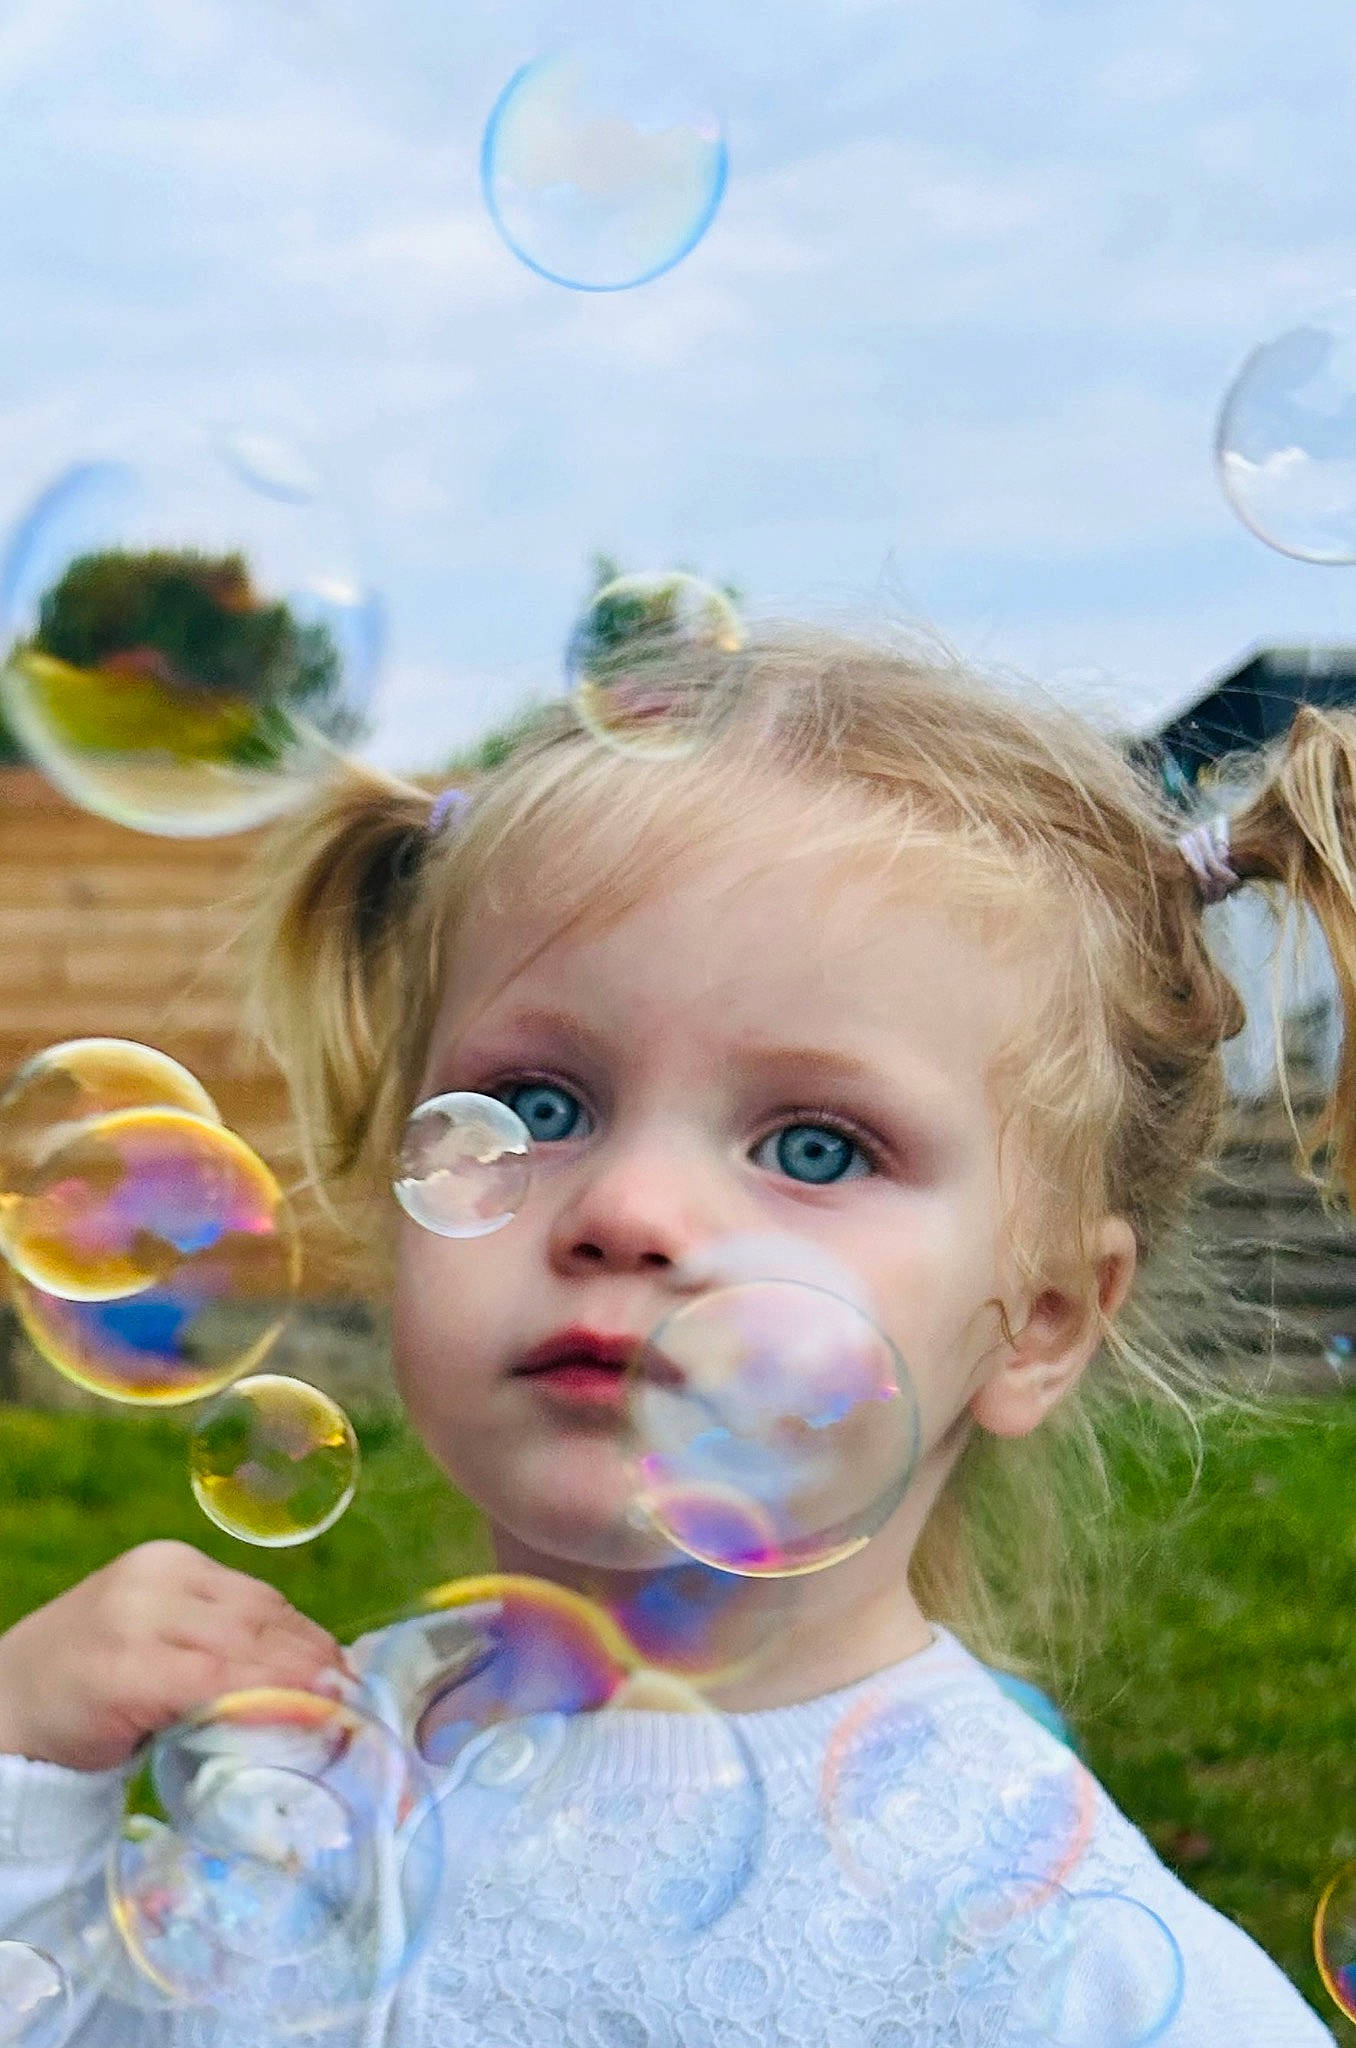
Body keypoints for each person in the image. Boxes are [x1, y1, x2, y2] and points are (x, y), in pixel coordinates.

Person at [0, 625, 1341, 2046]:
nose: (626, 1207)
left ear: (1041, 1328)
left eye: (817, 1147)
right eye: (537, 1106)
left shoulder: (1052, 1952)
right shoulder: (294, 1764)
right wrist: (25, 1770)